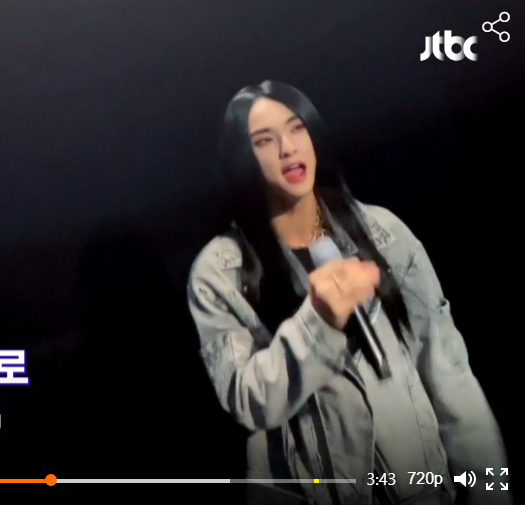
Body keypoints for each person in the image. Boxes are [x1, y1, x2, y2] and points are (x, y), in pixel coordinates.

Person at [187, 81, 508, 505]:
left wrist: (491, 493)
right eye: (264, 140)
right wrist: (317, 322)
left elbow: (449, 375)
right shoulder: (221, 271)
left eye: (296, 128)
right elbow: (249, 400)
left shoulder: (384, 233)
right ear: (242, 157)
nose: (287, 148)